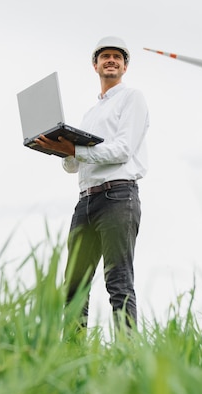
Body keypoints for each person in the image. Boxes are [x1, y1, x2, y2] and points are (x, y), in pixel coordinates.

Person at [35, 36, 149, 335]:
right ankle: (72, 355)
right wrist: (62, 150)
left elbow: (123, 149)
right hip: (85, 201)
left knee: (118, 280)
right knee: (74, 284)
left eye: (117, 57)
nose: (111, 60)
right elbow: (76, 165)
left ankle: (127, 354)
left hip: (118, 196)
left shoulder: (132, 98)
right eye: (105, 57)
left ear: (125, 66)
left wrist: (77, 152)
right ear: (95, 65)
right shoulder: (89, 114)